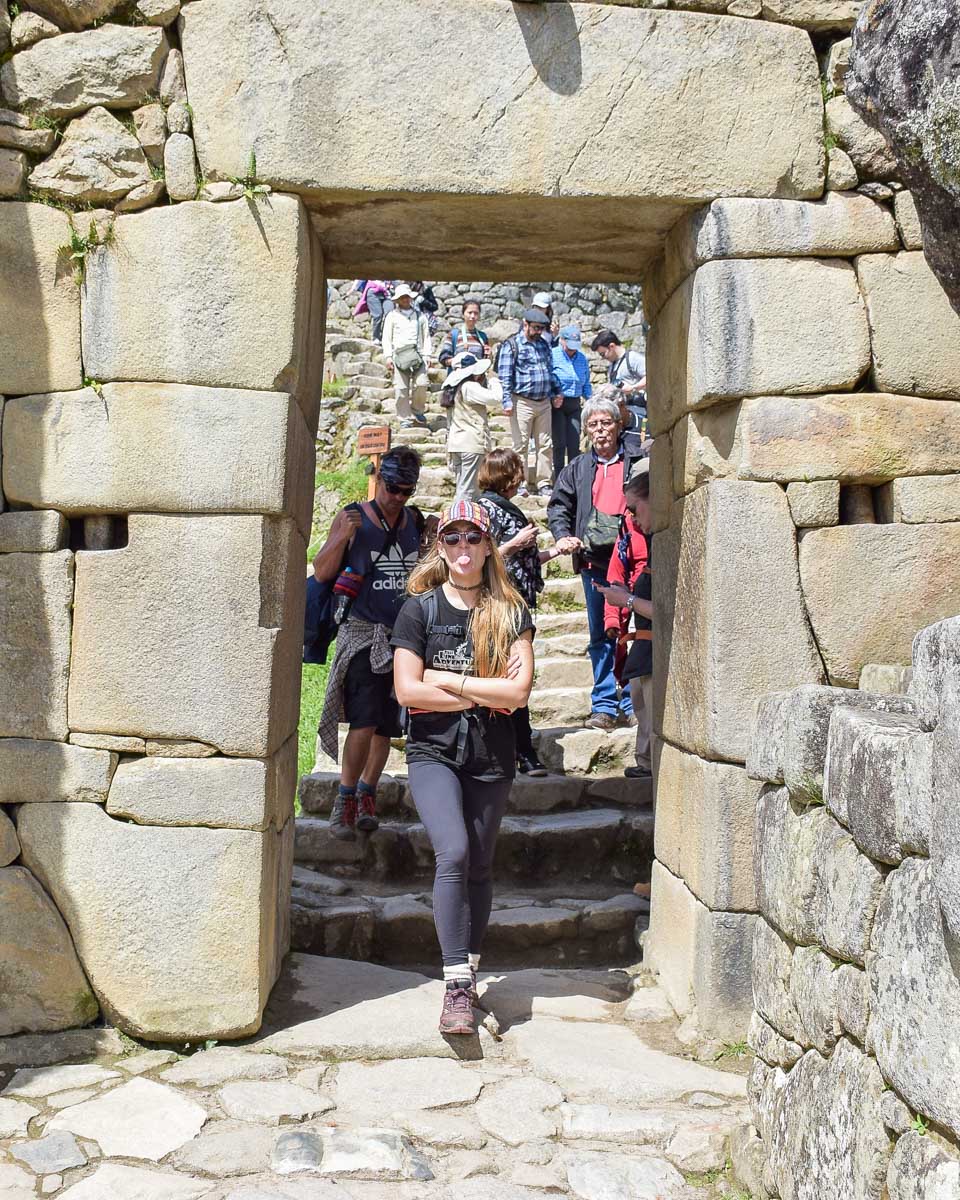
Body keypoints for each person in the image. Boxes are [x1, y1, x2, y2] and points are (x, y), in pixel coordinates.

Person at [391, 500, 535, 1035]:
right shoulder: (419, 610)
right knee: (452, 851)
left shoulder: (512, 611)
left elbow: (517, 694)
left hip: (492, 756)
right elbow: (407, 689)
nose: (462, 550)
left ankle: (471, 971)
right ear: (440, 546)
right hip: (432, 753)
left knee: (479, 863)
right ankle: (455, 987)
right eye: (452, 539)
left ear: (488, 545)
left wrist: (449, 683)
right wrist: (481, 692)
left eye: (472, 539)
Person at [314, 447, 425, 840]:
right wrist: (341, 537)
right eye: (393, 488)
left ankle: (367, 793)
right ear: (380, 480)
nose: (398, 497)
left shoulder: (415, 520)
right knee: (362, 721)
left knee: (385, 726)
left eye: (406, 491)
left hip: (403, 637)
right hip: (363, 633)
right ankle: (344, 796)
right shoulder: (352, 517)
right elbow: (322, 570)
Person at [477, 448, 574, 777]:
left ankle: (520, 749)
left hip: (516, 604)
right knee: (508, 674)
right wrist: (515, 543)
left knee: (516, 673)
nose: (521, 479)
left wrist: (552, 551)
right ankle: (520, 751)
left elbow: (522, 563)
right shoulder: (485, 510)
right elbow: (481, 559)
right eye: (516, 473)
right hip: (496, 605)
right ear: (506, 475)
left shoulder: (507, 508)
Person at [546, 396, 641, 730]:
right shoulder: (577, 469)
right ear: (586, 430)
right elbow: (559, 506)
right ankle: (604, 703)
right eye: (593, 425)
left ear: (618, 425)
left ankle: (633, 700)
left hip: (634, 562)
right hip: (595, 564)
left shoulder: (637, 461)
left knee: (634, 631)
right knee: (601, 634)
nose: (600, 431)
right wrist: (562, 535)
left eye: (606, 423)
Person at [599, 471, 653, 778]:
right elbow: (617, 571)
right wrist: (613, 616)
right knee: (639, 697)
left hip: (648, 629)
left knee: (648, 700)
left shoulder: (657, 538)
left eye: (634, 508)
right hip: (639, 629)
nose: (630, 515)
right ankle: (645, 762)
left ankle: (649, 762)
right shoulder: (630, 529)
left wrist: (626, 603)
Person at [497, 308, 563, 498]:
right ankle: (521, 482)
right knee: (521, 445)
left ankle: (544, 482)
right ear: (525, 324)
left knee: (545, 444)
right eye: (535, 328)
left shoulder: (543, 344)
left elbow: (550, 371)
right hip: (522, 401)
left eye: (542, 328)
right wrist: (506, 401)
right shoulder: (511, 345)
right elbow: (505, 375)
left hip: (544, 402)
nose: (538, 332)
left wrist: (557, 391)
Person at [445, 355, 503, 503]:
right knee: (468, 491)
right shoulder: (469, 387)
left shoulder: (453, 388)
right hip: (471, 444)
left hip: (456, 443)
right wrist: (494, 381)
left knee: (462, 487)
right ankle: (460, 521)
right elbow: (496, 398)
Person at [383, 284, 431, 428]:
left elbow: (426, 337)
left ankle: (417, 410)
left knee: (422, 383)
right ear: (397, 300)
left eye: (406, 297)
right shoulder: (391, 316)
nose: (405, 300)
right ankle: (404, 418)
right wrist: (388, 356)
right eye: (402, 297)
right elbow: (387, 337)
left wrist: (427, 355)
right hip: (399, 355)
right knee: (401, 389)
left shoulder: (420, 316)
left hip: (417, 355)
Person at [551, 325, 592, 476]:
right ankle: (559, 476)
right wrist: (553, 394)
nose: (572, 350)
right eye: (569, 346)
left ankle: (574, 476)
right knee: (560, 443)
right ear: (562, 340)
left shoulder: (581, 358)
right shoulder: (553, 355)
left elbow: (586, 382)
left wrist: (590, 400)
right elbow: (548, 378)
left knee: (574, 443)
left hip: (575, 404)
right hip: (558, 404)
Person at [591, 330, 646, 413]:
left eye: (603, 354)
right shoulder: (612, 366)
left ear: (612, 346)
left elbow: (651, 377)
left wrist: (633, 388)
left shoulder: (633, 358)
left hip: (639, 409)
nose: (603, 358)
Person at [438, 298, 489, 372]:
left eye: (476, 313)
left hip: (478, 379)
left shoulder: (483, 337)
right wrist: (458, 362)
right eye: (470, 312)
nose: (473, 316)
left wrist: (489, 356)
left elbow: (486, 360)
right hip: (458, 379)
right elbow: (443, 358)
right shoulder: (454, 334)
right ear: (463, 314)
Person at [353, 280, 395, 344]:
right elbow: (360, 279)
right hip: (373, 292)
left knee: (390, 314)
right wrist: (353, 289)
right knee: (378, 315)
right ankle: (376, 337)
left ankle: (387, 337)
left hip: (387, 293)